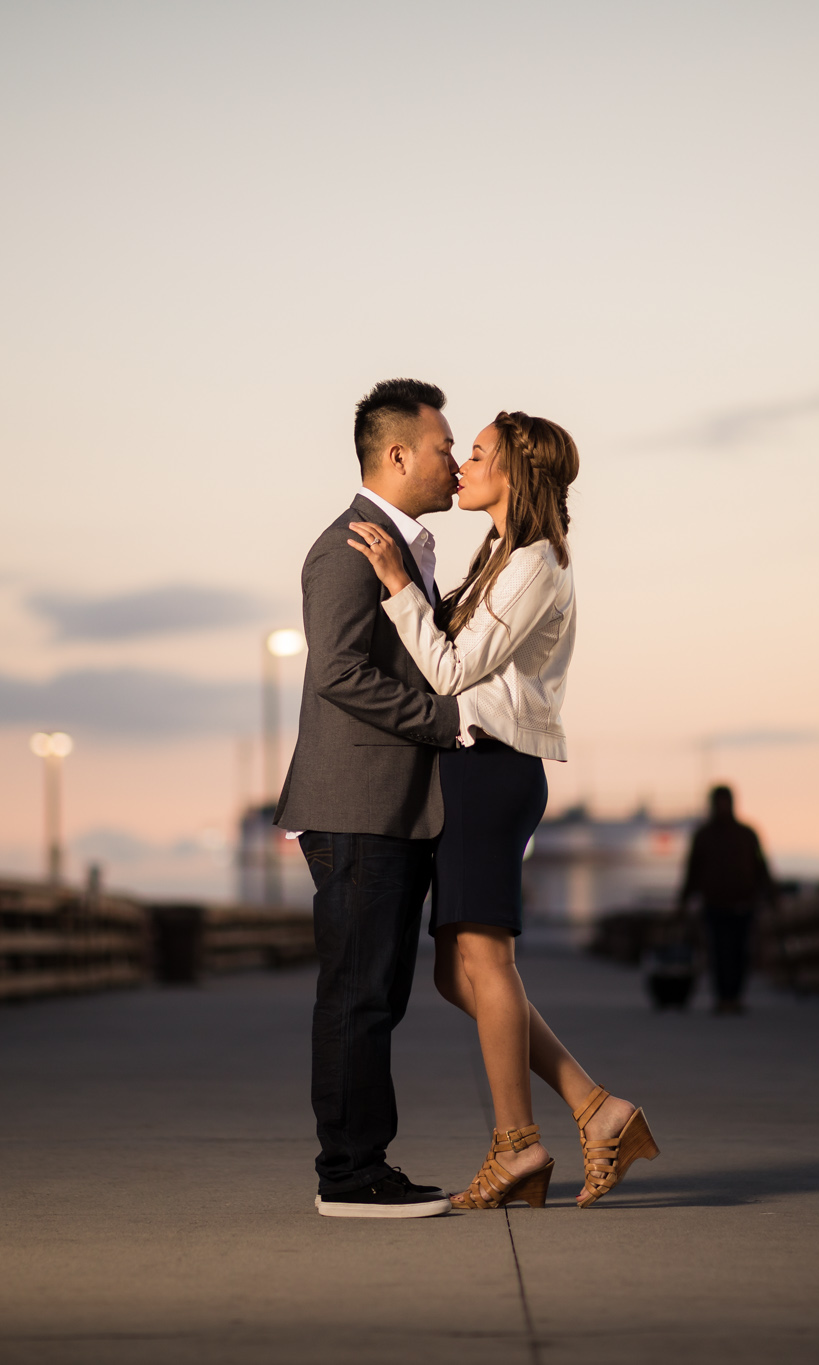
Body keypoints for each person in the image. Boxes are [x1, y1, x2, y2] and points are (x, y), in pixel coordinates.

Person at [348, 409, 660, 1212]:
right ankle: (598, 1108)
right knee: (461, 973)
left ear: (514, 473)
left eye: (475, 453)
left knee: (486, 965)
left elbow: (451, 671)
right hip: (475, 770)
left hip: (492, 771)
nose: (460, 465)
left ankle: (519, 1144)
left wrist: (393, 589)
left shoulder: (534, 566)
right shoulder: (500, 559)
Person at [277, 378, 462, 1219]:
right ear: (397, 454)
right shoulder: (346, 548)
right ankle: (350, 1174)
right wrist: (446, 721)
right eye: (442, 446)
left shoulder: (401, 546)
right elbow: (340, 674)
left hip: (387, 807)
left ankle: (360, 1165)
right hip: (357, 808)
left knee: (376, 992)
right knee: (358, 993)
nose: (454, 461)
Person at [676, 785, 776, 1015]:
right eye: (718, 802)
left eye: (725, 801)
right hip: (715, 905)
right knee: (719, 953)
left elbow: (761, 866)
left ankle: (736, 997)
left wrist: (771, 894)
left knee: (741, 953)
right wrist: (683, 901)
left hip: (743, 903)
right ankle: (722, 998)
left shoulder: (747, 834)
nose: (722, 806)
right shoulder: (703, 836)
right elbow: (692, 872)